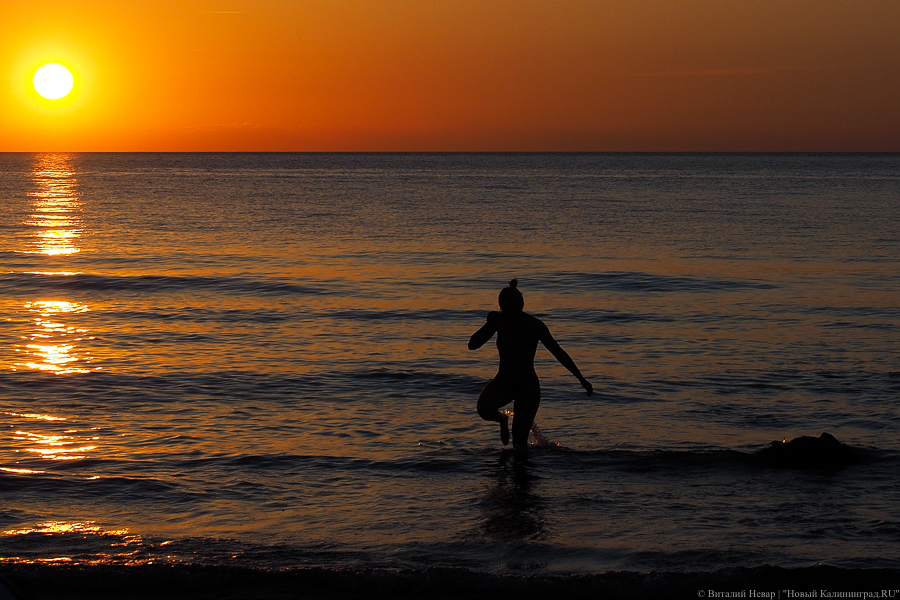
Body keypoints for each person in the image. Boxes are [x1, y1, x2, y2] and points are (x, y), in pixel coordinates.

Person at [468, 279, 593, 449]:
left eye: (513, 306)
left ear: (521, 305)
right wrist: (489, 325)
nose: (509, 311)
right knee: (483, 409)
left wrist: (581, 379)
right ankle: (502, 419)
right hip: (503, 382)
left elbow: (558, 352)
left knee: (519, 445)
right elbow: (472, 345)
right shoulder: (499, 322)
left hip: (527, 386)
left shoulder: (534, 325)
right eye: (505, 307)